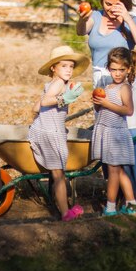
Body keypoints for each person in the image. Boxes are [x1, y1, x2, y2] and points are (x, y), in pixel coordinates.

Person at [76, 0, 136, 194]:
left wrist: (127, 18)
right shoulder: (96, 16)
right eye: (107, 3)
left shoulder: (132, 20)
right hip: (101, 82)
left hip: (123, 84)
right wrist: (82, 18)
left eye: (115, 4)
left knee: (130, 134)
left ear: (124, 2)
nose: (110, 8)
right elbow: (81, 31)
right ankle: (115, 190)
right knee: (108, 135)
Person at [28, 45, 89, 222]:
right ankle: (65, 213)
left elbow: (37, 105)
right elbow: (47, 100)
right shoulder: (58, 83)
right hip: (50, 133)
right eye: (64, 66)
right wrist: (65, 98)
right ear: (53, 68)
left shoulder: (53, 84)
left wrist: (39, 112)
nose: (68, 70)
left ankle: (65, 207)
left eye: (71, 66)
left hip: (45, 129)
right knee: (59, 175)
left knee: (58, 174)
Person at [91, 47, 136, 216]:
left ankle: (110, 207)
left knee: (112, 172)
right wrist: (97, 101)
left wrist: (106, 104)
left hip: (116, 134)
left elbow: (129, 110)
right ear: (108, 68)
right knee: (119, 171)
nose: (117, 74)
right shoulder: (107, 86)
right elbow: (100, 108)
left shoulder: (124, 88)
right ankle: (132, 206)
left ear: (128, 69)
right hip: (106, 131)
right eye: (114, 69)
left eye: (121, 70)